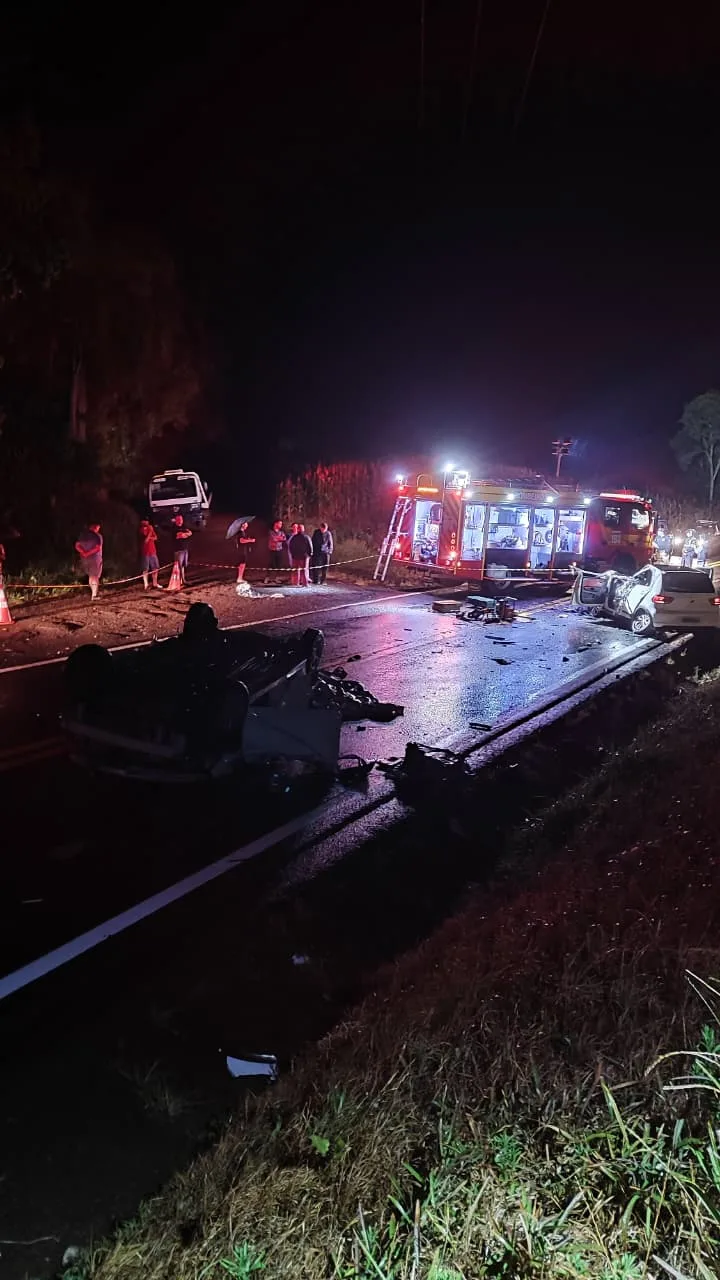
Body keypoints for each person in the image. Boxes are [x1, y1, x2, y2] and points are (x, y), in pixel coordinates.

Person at [75, 522, 103, 601]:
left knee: (91, 576)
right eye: (98, 527)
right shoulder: (97, 536)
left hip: (84, 559)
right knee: (94, 576)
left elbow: (77, 545)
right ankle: (94, 595)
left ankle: (93, 593)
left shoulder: (83, 535)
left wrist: (83, 552)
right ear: (96, 527)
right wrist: (88, 553)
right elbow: (98, 548)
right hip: (94, 559)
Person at [139, 518, 162, 590]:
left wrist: (150, 536)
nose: (146, 522)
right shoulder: (141, 530)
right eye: (144, 521)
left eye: (147, 521)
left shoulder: (150, 528)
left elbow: (155, 537)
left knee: (155, 568)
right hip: (145, 552)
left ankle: (155, 583)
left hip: (153, 551)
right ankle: (146, 585)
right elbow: (145, 540)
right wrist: (150, 531)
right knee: (145, 569)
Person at [172, 514, 193, 584]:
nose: (180, 521)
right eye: (179, 519)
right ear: (176, 520)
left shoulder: (184, 527)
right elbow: (182, 535)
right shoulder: (174, 528)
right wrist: (186, 534)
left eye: (181, 519)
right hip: (178, 550)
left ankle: (182, 580)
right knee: (178, 566)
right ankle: (179, 581)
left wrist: (186, 534)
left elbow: (190, 533)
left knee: (183, 566)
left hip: (185, 549)